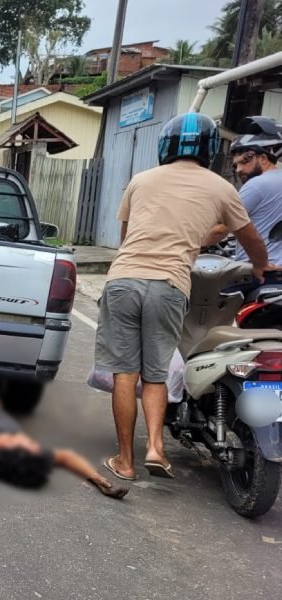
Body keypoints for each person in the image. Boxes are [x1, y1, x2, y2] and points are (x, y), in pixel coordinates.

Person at [97, 112, 275, 482]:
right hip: (170, 285)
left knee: (125, 374)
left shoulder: (141, 180)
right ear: (211, 149)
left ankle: (125, 462)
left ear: (165, 146)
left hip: (124, 279)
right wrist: (260, 267)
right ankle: (156, 449)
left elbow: (128, 237)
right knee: (157, 374)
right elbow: (250, 238)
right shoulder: (222, 188)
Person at [0, 379, 129, 498]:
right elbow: (65, 457)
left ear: (1, 449)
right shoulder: (23, 455)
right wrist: (99, 480)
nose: (30, 442)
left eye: (25, 444)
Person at [203, 116, 282, 264]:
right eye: (236, 165)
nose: (239, 170)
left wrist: (190, 245)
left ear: (263, 159)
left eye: (245, 161)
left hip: (258, 272)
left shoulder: (256, 185)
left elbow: (221, 229)